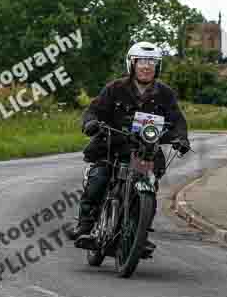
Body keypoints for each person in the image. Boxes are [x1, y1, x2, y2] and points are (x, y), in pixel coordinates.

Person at [67, 41, 191, 252]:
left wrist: (181, 138)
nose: (146, 66)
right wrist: (90, 123)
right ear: (131, 65)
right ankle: (85, 225)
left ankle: (138, 234)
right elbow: (93, 110)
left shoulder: (165, 94)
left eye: (151, 62)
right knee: (98, 179)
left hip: (143, 153)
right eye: (141, 61)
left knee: (147, 186)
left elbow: (177, 119)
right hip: (111, 148)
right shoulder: (115, 88)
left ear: (157, 66)